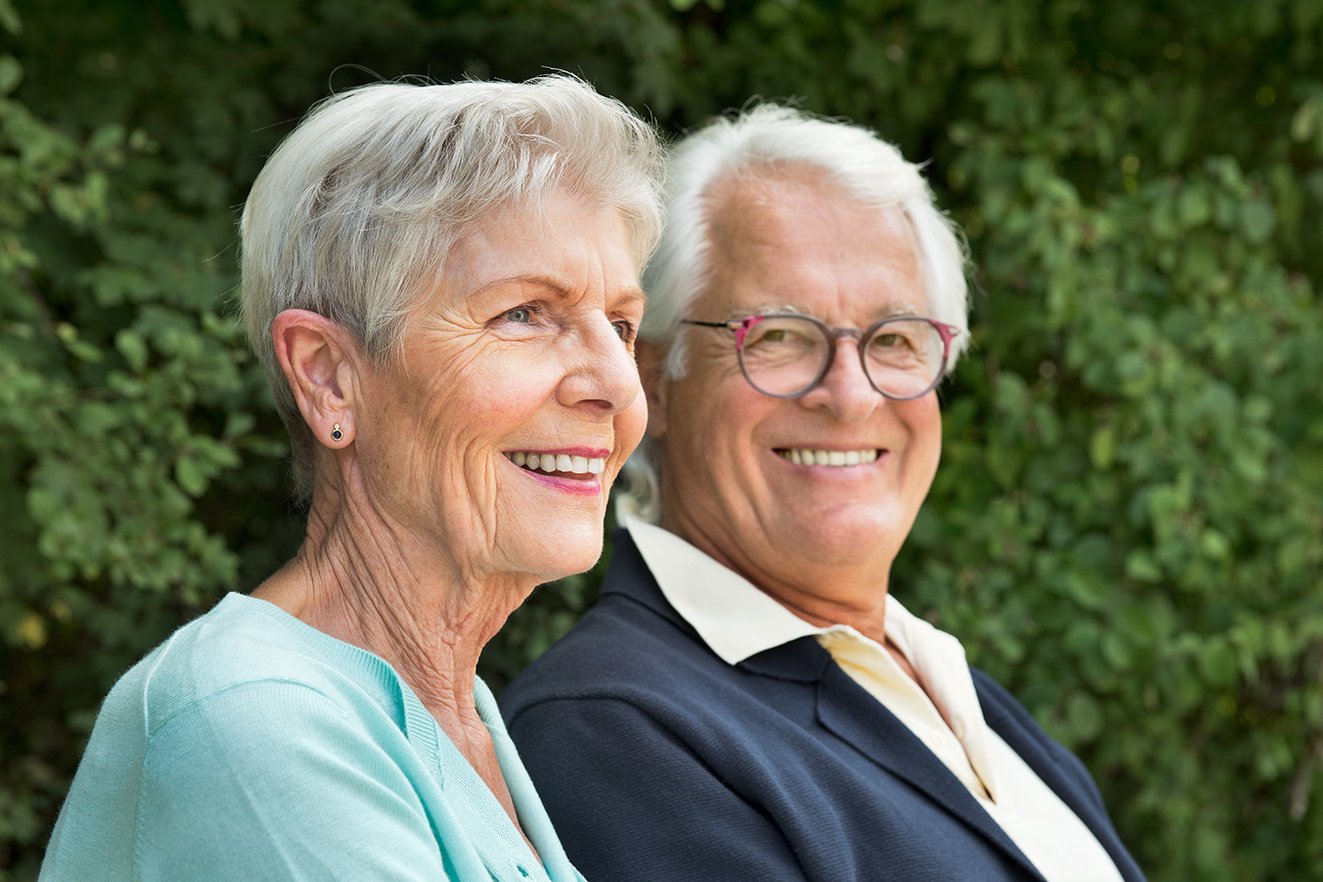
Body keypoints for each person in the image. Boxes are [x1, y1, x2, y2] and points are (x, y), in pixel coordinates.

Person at [501, 105, 1146, 882]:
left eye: (896, 339)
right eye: (777, 335)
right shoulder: (611, 731)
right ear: (653, 383)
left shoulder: (945, 685)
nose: (848, 396)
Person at [40, 75, 661, 881]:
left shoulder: (453, 716)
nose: (615, 385)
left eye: (619, 325)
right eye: (524, 314)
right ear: (329, 376)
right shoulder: (253, 715)